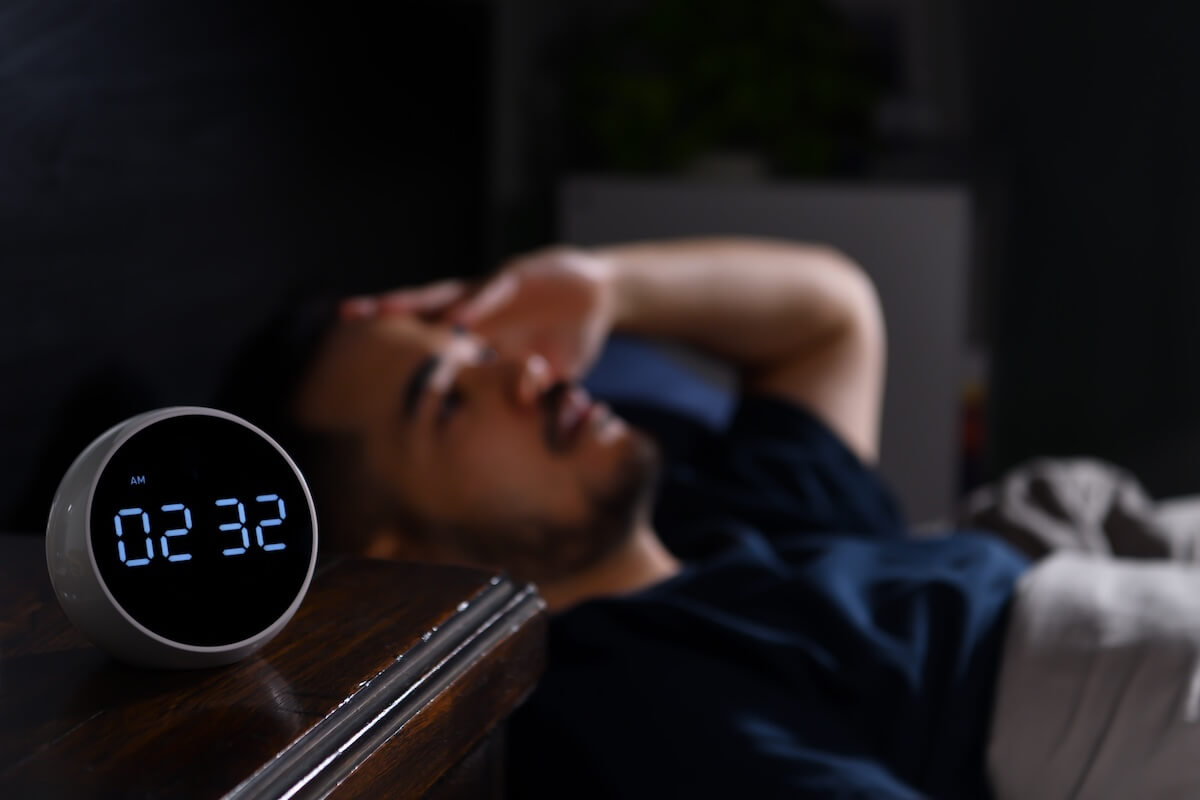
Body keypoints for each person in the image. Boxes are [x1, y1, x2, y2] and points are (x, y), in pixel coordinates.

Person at [224, 239, 1200, 798]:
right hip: (1071, 667)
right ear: (392, 556)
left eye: (481, 341)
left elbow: (832, 315)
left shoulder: (722, 517)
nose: (528, 368)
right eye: (450, 396)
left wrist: (607, 284)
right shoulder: (613, 693)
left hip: (1065, 565)